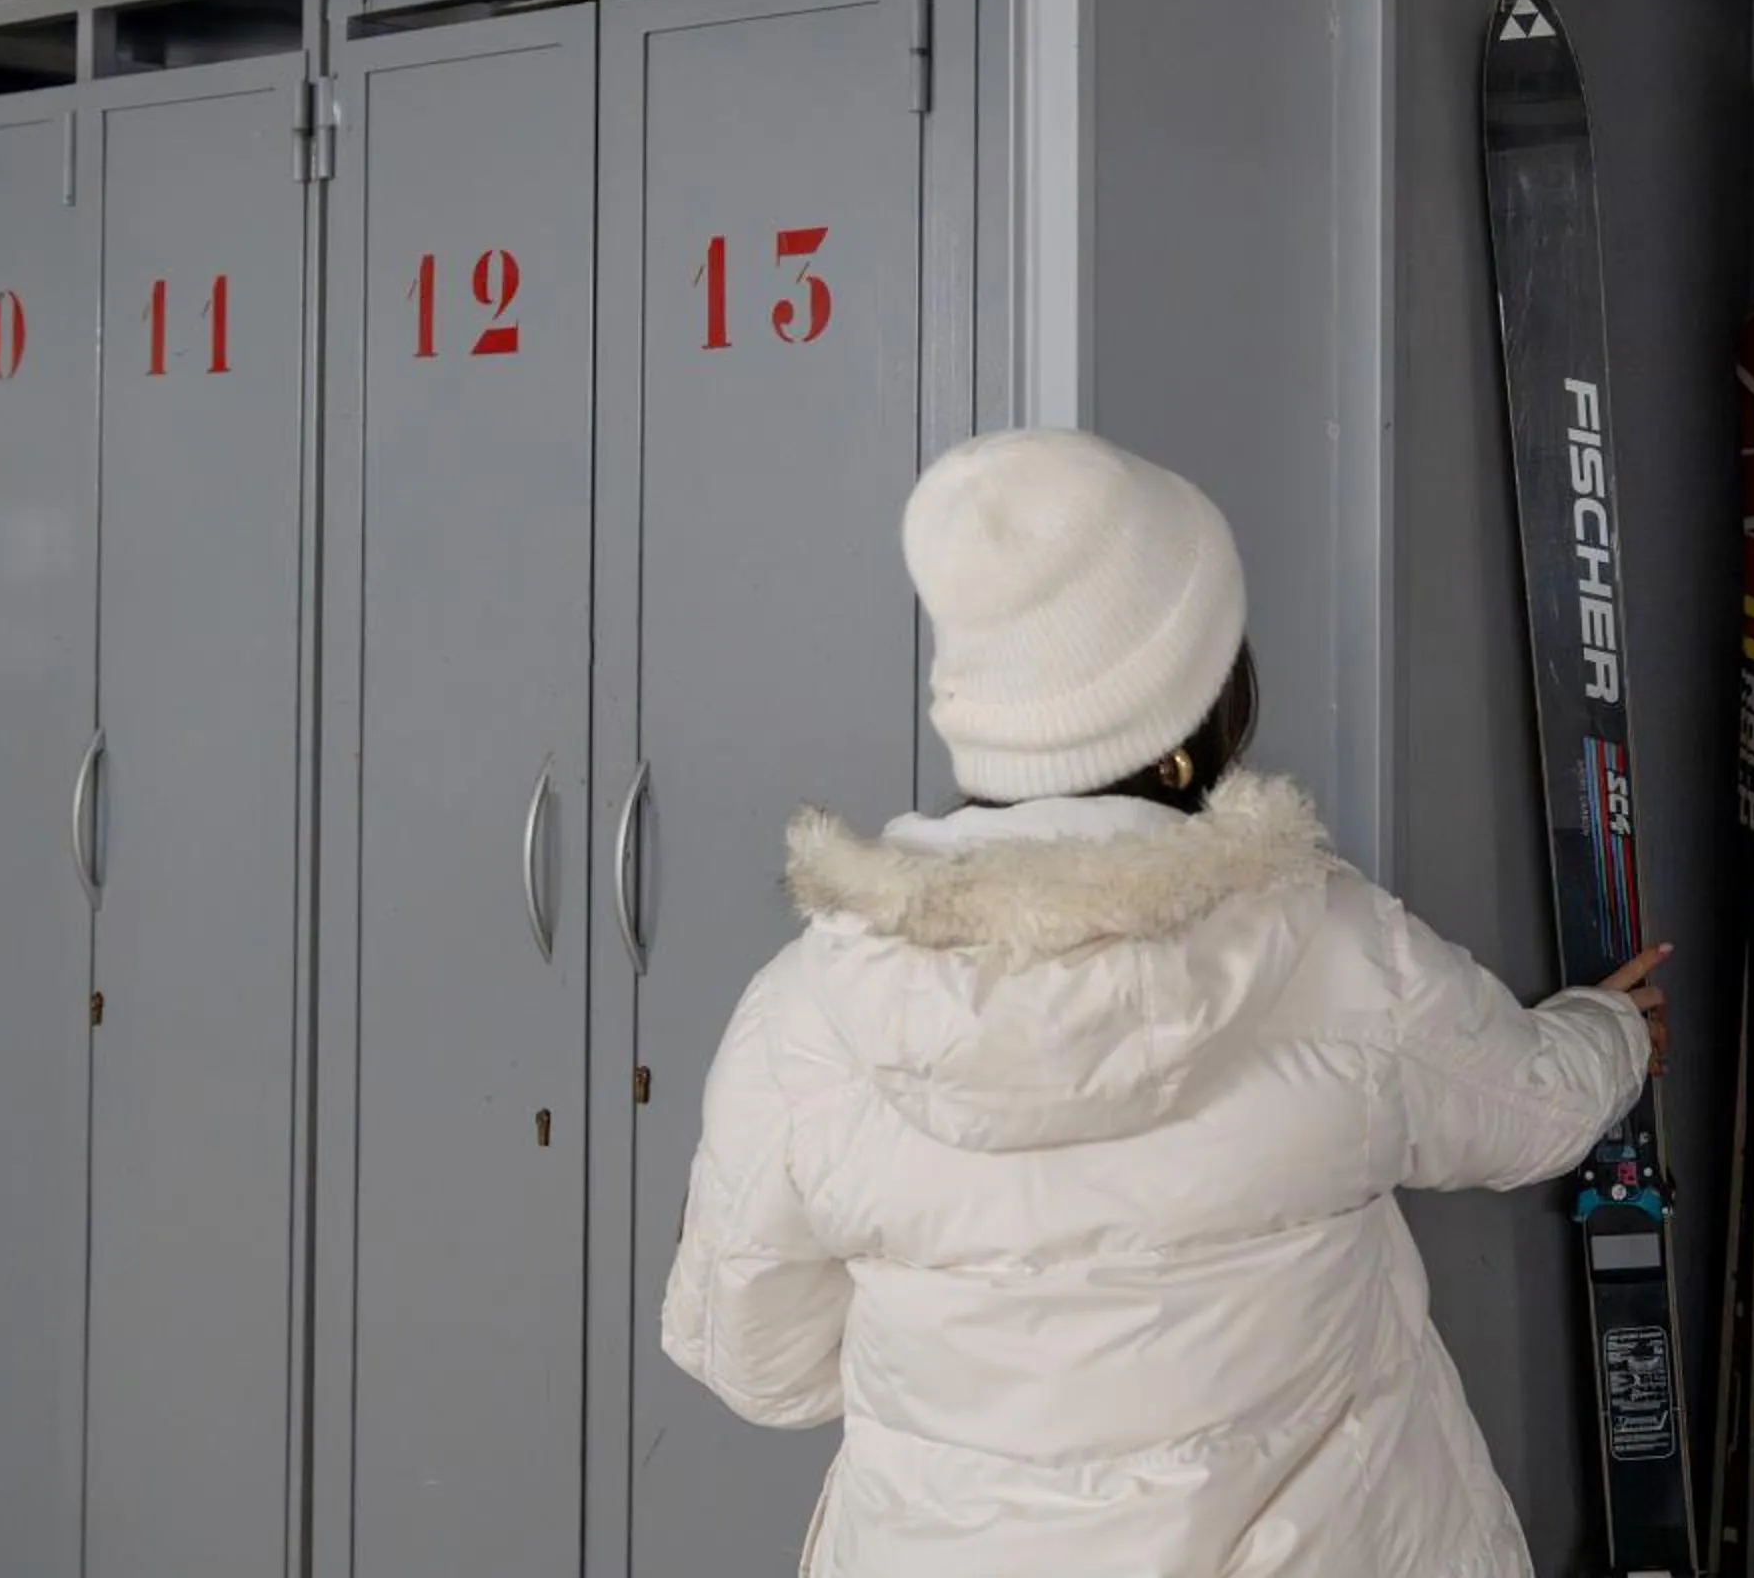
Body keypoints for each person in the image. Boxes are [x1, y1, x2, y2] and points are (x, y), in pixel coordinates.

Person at [661, 426, 1671, 1576]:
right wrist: (1612, 1027)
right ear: (1194, 707)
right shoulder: (1331, 947)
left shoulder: (809, 1010)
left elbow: (757, 1362)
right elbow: (1529, 1108)